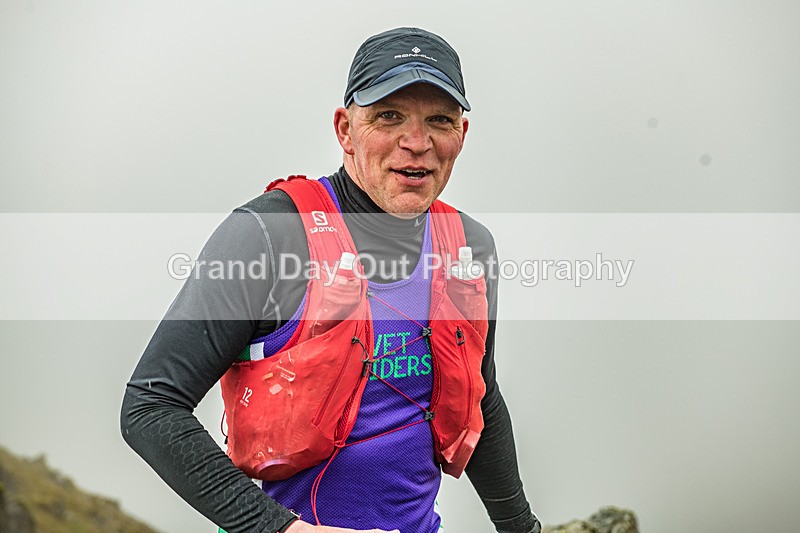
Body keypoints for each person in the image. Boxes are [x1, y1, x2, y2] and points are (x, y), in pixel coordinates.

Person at [122, 27, 540, 533]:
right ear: (345, 130)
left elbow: (479, 394)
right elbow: (151, 405)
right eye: (388, 117)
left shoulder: (469, 248)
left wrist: (522, 529)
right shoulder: (268, 235)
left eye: (439, 120)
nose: (417, 143)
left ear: (461, 135)